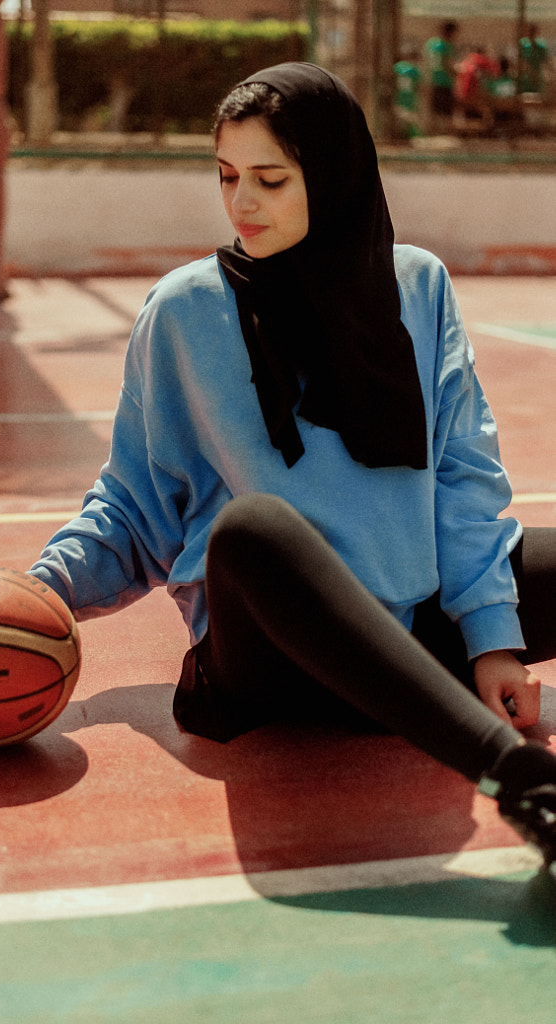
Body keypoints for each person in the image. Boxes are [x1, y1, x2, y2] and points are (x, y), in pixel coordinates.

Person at [29, 63, 556, 868]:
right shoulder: (182, 311)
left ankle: (422, 686)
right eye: (228, 177)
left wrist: (491, 639)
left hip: (411, 633)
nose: (242, 204)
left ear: (334, 173)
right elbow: (136, 503)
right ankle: (517, 776)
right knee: (254, 531)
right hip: (268, 662)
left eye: (270, 180)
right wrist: (43, 589)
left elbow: (461, 473)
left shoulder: (417, 286)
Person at [423, 21, 459, 132]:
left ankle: (433, 130)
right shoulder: (446, 45)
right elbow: (445, 63)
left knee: (434, 108)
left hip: (431, 79)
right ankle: (443, 131)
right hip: (444, 81)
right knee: (445, 109)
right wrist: (456, 73)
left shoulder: (431, 43)